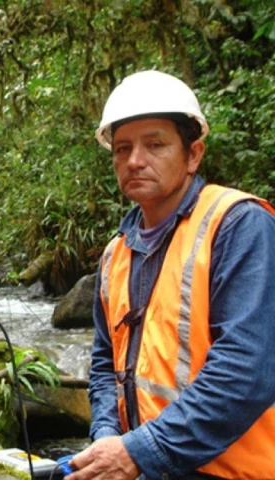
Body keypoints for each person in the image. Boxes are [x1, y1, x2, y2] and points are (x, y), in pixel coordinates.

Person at [68, 70, 275, 480]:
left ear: (193, 154)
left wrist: (140, 451)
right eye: (123, 148)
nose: (134, 160)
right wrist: (107, 437)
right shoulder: (115, 254)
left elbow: (246, 370)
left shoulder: (239, 226)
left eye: (155, 144)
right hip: (151, 467)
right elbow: (106, 364)